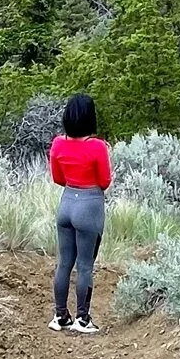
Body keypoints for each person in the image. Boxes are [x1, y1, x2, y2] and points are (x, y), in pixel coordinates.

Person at [49, 93, 111, 334]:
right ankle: (82, 319)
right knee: (84, 266)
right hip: (89, 206)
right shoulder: (97, 146)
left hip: (66, 204)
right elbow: (104, 181)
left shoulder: (58, 144)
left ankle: (60, 315)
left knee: (64, 263)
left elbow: (57, 178)